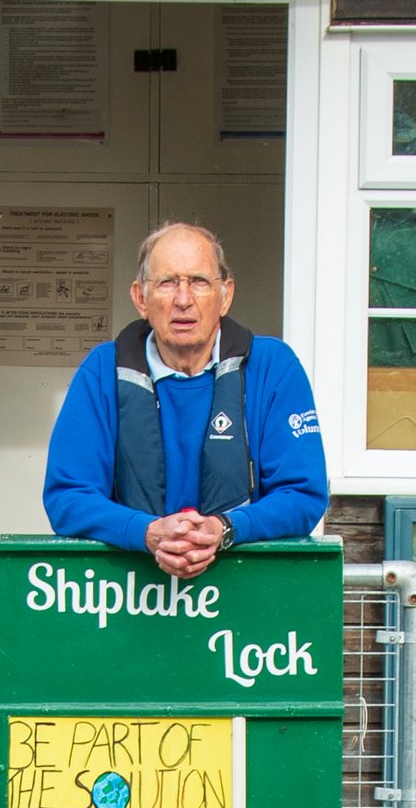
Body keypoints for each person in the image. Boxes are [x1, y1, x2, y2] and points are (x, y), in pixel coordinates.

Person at [43, 219, 329, 571]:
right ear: (140, 298)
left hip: (247, 595)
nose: (183, 300)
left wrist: (224, 529)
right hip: (130, 599)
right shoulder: (102, 370)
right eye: (166, 283)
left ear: (225, 296)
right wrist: (145, 532)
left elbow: (303, 493)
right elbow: (67, 496)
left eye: (198, 282)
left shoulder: (273, 368)